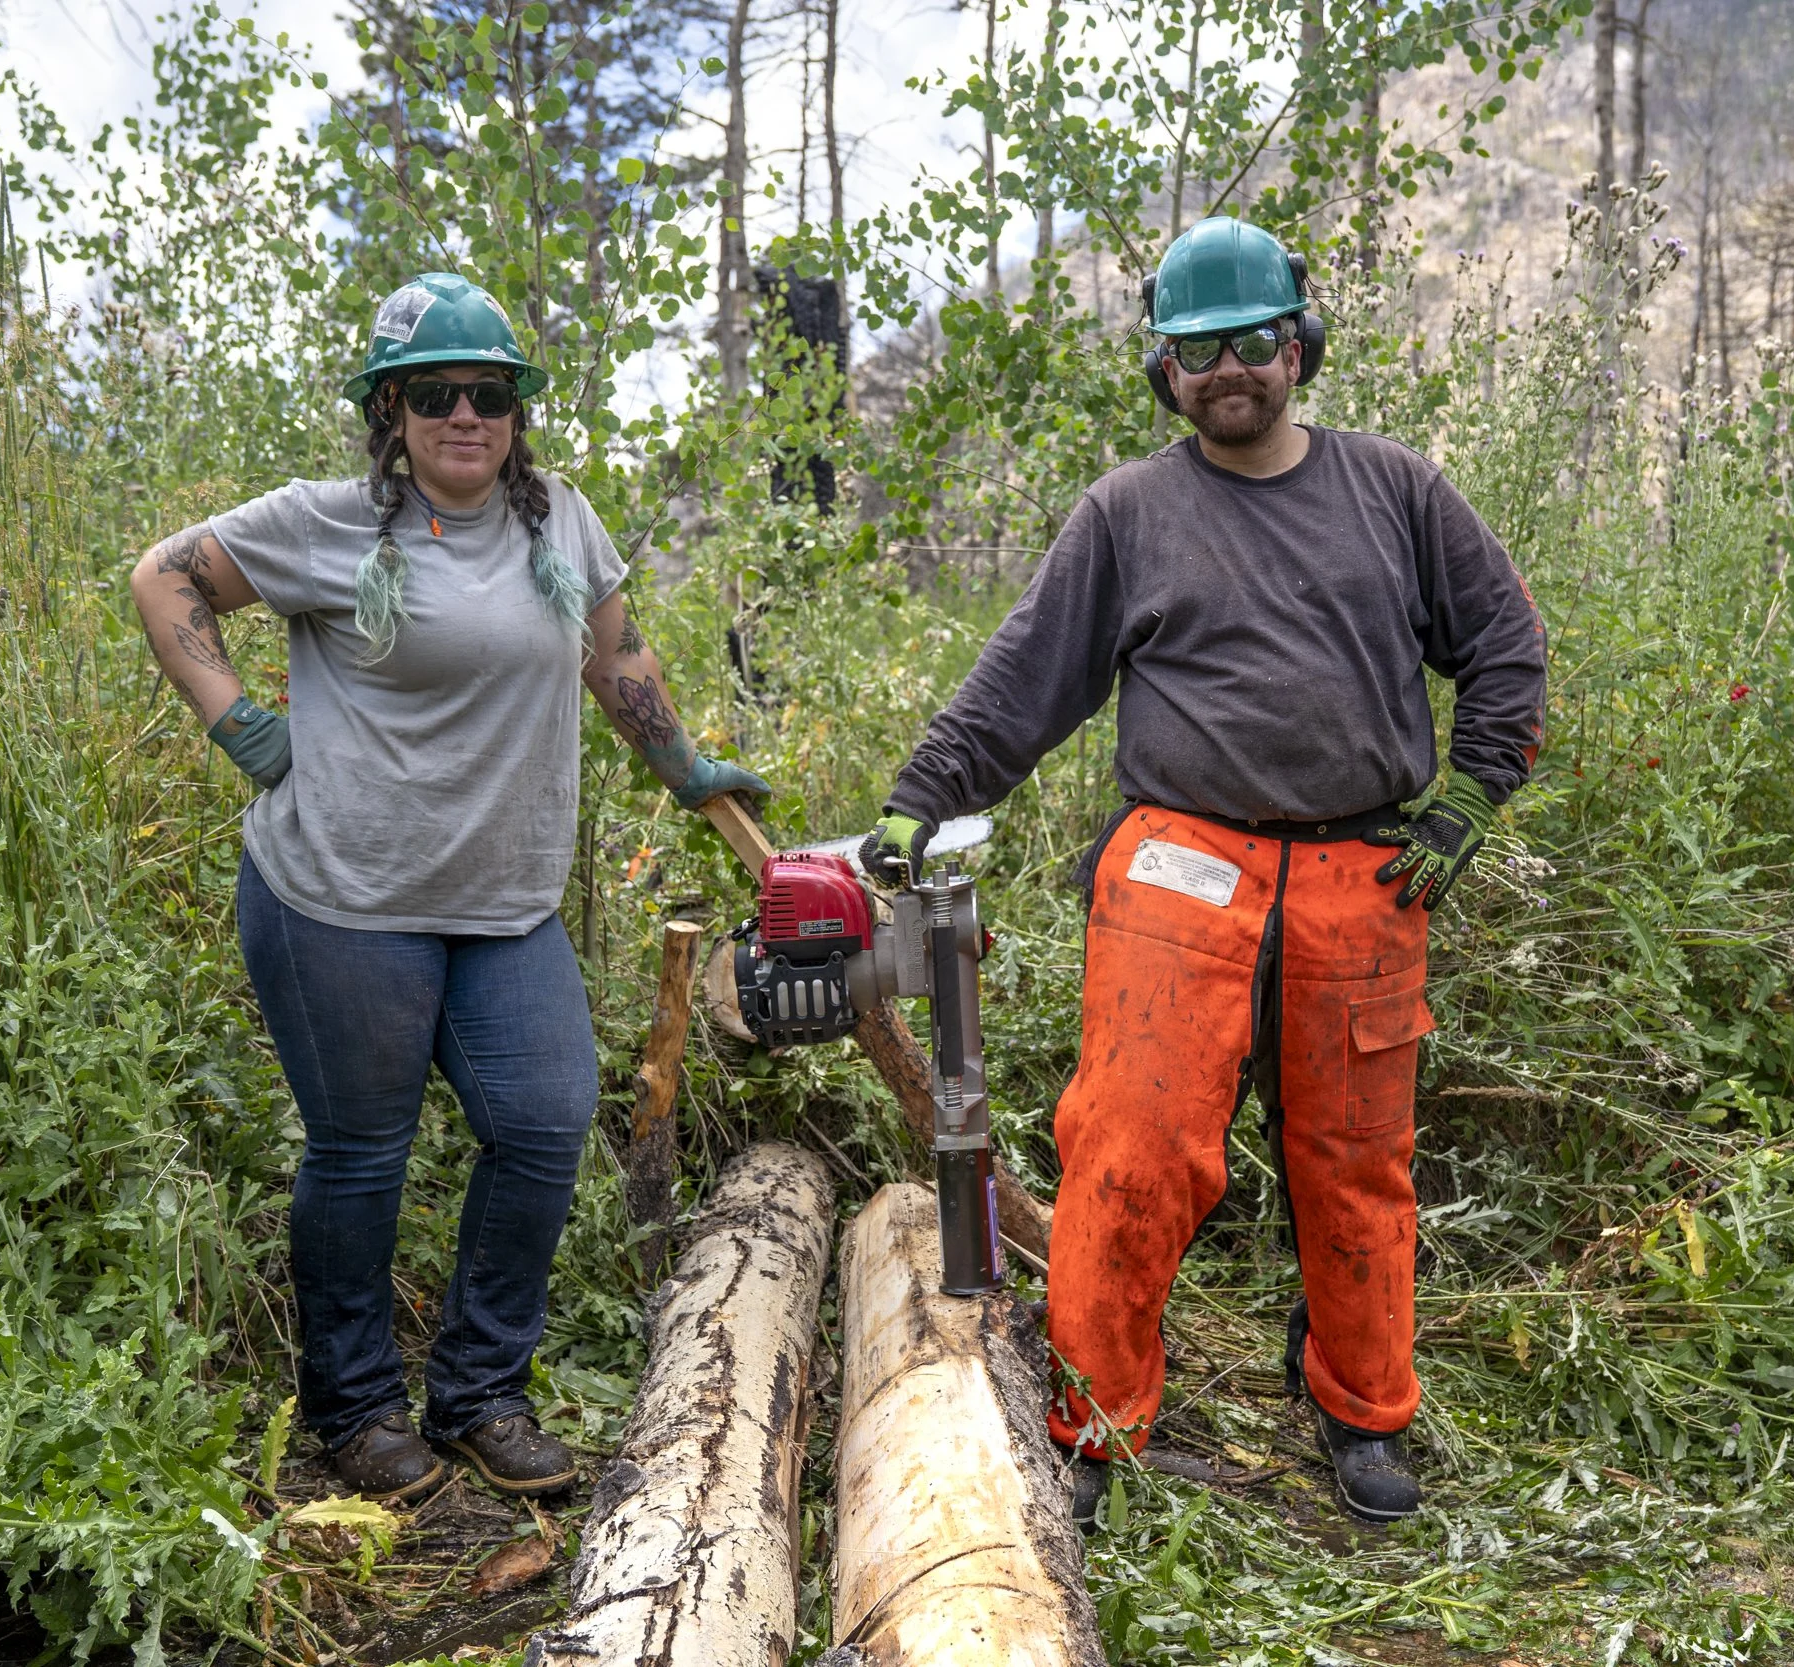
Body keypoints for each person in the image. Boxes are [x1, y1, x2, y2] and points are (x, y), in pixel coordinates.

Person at [857, 219, 1546, 1525]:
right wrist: (917, 801)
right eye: (1196, 349)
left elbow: (1507, 644)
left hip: (1364, 862)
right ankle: (1094, 1417)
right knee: (1132, 1142)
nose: (1228, 367)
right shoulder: (1129, 511)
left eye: (1250, 339)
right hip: (1184, 855)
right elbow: (1022, 684)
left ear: (1298, 342)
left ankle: (1362, 1408)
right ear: (1164, 371)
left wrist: (1466, 798)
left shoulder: (1396, 490)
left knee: (1359, 1159)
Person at [128, 272, 765, 1504]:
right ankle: (355, 1410)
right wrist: (235, 716)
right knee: (362, 1151)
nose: (462, 413)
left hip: (503, 904)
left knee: (541, 1121)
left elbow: (615, 652)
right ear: (391, 409)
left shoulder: (561, 520)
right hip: (341, 898)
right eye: (433, 393)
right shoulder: (327, 523)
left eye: (487, 391)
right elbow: (164, 578)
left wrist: (685, 765)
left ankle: (479, 1391)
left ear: (518, 406)